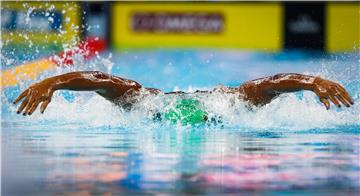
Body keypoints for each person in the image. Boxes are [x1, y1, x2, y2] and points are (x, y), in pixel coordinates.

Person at [13, 71, 354, 124]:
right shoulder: (143, 101)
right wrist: (54, 82)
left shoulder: (231, 102)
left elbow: (273, 83)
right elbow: (102, 79)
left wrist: (311, 81)